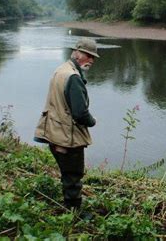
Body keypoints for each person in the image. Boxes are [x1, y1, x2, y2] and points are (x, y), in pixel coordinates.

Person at [34, 38, 99, 210]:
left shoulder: (61, 69)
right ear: (77, 53)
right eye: (88, 55)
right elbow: (80, 113)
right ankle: (73, 214)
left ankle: (69, 208)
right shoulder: (73, 77)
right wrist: (92, 121)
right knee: (73, 176)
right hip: (66, 137)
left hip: (54, 132)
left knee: (67, 174)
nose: (91, 60)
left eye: (93, 57)